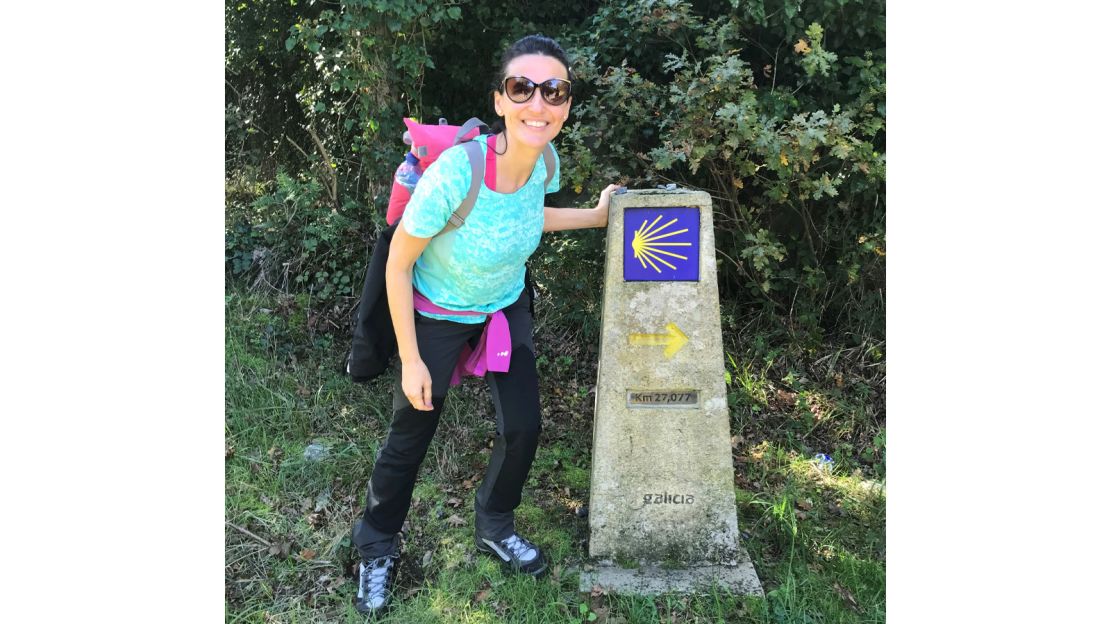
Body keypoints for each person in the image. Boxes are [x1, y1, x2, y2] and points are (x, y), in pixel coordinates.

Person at [351, 34, 621, 615]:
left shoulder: (546, 160)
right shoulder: (457, 171)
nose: (539, 104)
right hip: (436, 312)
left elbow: (529, 216)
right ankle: (375, 546)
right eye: (523, 88)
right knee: (412, 433)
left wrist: (597, 217)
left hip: (502, 305)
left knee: (524, 427)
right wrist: (413, 360)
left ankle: (495, 523)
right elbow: (398, 262)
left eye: (555, 91)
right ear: (500, 100)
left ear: (568, 104)